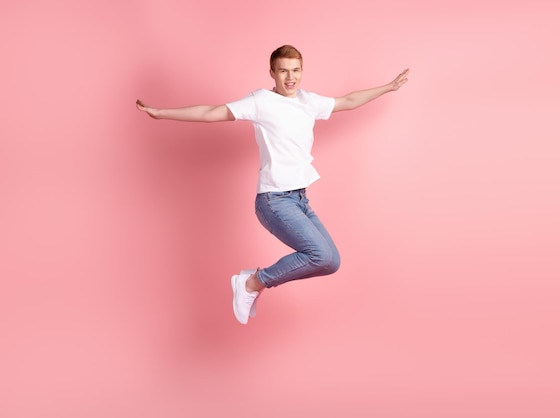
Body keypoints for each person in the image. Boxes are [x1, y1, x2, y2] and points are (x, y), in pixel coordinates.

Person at [136, 45, 409, 324]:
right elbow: (212, 112)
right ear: (272, 73)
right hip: (273, 200)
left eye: (296, 70)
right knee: (318, 254)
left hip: (299, 200)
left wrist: (388, 87)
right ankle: (252, 283)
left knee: (331, 261)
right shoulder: (261, 101)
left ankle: (253, 282)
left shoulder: (307, 101)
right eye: (283, 71)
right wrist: (161, 112)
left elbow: (348, 101)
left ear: (302, 72)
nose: (290, 78)